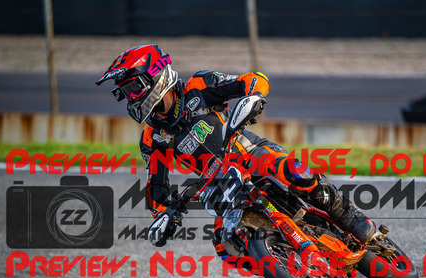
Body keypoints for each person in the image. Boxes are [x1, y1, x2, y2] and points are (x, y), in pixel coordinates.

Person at [96, 44, 375, 251]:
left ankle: (348, 215)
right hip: (220, 185)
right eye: (125, 93)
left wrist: (255, 97)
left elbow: (254, 79)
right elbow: (156, 187)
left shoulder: (199, 86)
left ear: (156, 75)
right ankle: (284, 259)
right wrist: (162, 214)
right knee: (225, 244)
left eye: (133, 88)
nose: (131, 98)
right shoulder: (152, 138)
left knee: (295, 172)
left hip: (250, 153)